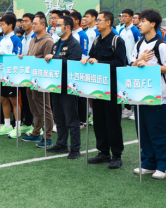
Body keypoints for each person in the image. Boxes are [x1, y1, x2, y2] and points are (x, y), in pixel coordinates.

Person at [131, 9, 166, 179]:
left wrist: (150, 66)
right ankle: (148, 162)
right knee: (143, 131)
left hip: (157, 96)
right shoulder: (139, 44)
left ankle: (164, 165)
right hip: (140, 94)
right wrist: (139, 60)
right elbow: (132, 65)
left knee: (158, 131)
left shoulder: (161, 45)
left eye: (143, 21)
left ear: (153, 24)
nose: (139, 24)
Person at [86, 11, 128, 169]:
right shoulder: (97, 40)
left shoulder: (117, 41)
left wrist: (100, 63)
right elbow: (92, 56)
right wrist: (87, 60)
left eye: (99, 20)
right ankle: (103, 152)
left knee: (113, 122)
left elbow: (120, 64)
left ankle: (117, 155)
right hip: (98, 87)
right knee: (99, 121)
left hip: (112, 88)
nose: (96, 23)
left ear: (108, 22)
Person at [44, 15, 82, 159]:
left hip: (68, 86)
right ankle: (61, 144)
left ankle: (75, 148)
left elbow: (74, 63)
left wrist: (55, 58)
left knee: (71, 119)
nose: (55, 27)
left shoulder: (74, 44)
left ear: (67, 27)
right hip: (56, 85)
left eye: (59, 25)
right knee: (59, 118)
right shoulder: (56, 44)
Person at [22, 15, 55, 147]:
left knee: (45, 108)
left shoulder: (48, 41)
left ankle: (48, 137)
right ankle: (36, 133)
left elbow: (48, 62)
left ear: (43, 25)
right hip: (31, 78)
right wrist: (23, 57)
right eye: (33, 23)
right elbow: (30, 55)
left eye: (35, 23)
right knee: (34, 107)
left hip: (42, 79)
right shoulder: (33, 39)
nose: (33, 25)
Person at [0, 14, 23, 136]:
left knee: (14, 100)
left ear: (10, 25)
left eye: (3, 24)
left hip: (12, 74)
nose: (1, 27)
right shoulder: (1, 39)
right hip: (2, 73)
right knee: (3, 99)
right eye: (1, 24)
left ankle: (18, 127)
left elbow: (16, 56)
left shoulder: (16, 39)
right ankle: (7, 125)